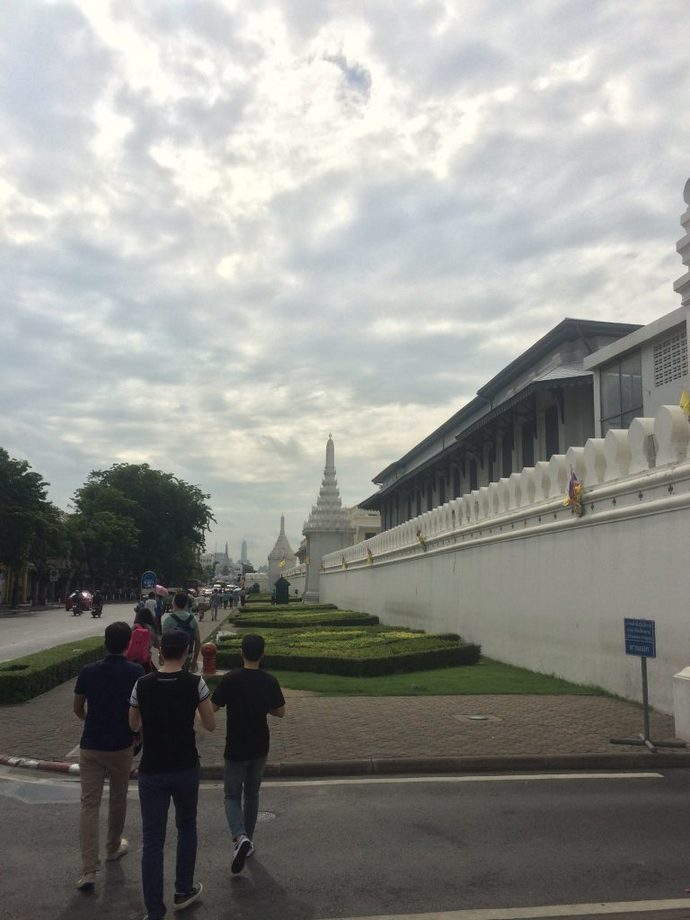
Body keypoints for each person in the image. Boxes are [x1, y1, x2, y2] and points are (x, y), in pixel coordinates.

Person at [129, 629, 215, 920]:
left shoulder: (142, 684)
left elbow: (133, 723)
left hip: (152, 768)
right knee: (186, 827)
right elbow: (210, 724)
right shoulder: (196, 684)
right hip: (185, 766)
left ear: (160, 651)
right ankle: (183, 890)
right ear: (188, 651)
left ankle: (154, 911)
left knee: (152, 839)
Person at [73, 622, 144, 891]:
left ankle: (88, 870)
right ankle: (113, 847)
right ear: (128, 644)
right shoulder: (136, 671)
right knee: (117, 798)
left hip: (91, 744)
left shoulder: (88, 671)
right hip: (121, 744)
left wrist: (92, 720)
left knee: (89, 805)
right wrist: (137, 733)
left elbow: (78, 708)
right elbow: (138, 711)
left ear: (105, 642)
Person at [211, 633, 285, 874]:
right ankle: (248, 840)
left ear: (241, 653)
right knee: (251, 794)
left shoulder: (231, 679)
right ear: (262, 654)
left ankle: (240, 836)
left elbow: (212, 707)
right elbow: (280, 711)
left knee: (232, 796)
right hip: (260, 745)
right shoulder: (269, 680)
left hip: (235, 746)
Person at [162, 592, 201, 671]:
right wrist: (194, 660)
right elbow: (198, 641)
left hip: (171, 658)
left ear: (174, 603)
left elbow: (163, 642)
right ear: (186, 604)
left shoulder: (168, 620)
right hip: (187, 655)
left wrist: (161, 657)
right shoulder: (192, 619)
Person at [126, 607, 160, 673]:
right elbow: (157, 644)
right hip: (145, 660)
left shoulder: (134, 627)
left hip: (132, 659)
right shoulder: (150, 629)